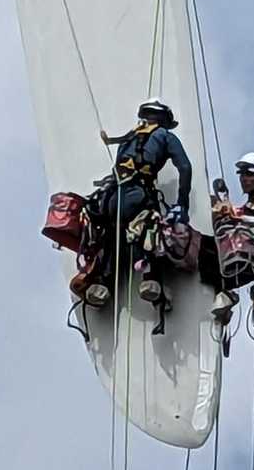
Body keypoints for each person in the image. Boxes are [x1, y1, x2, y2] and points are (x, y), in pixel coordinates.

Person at [77, 99, 194, 311]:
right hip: (138, 195)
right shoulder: (165, 136)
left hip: (110, 198)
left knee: (112, 234)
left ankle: (102, 283)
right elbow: (185, 167)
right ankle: (151, 280)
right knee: (150, 231)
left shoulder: (129, 137)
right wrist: (182, 203)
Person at [201, 152, 254, 322]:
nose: (243, 179)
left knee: (210, 251)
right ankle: (222, 297)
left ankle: (224, 295)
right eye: (242, 175)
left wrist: (236, 218)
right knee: (203, 247)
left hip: (251, 258)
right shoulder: (243, 209)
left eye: (248, 175)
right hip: (234, 259)